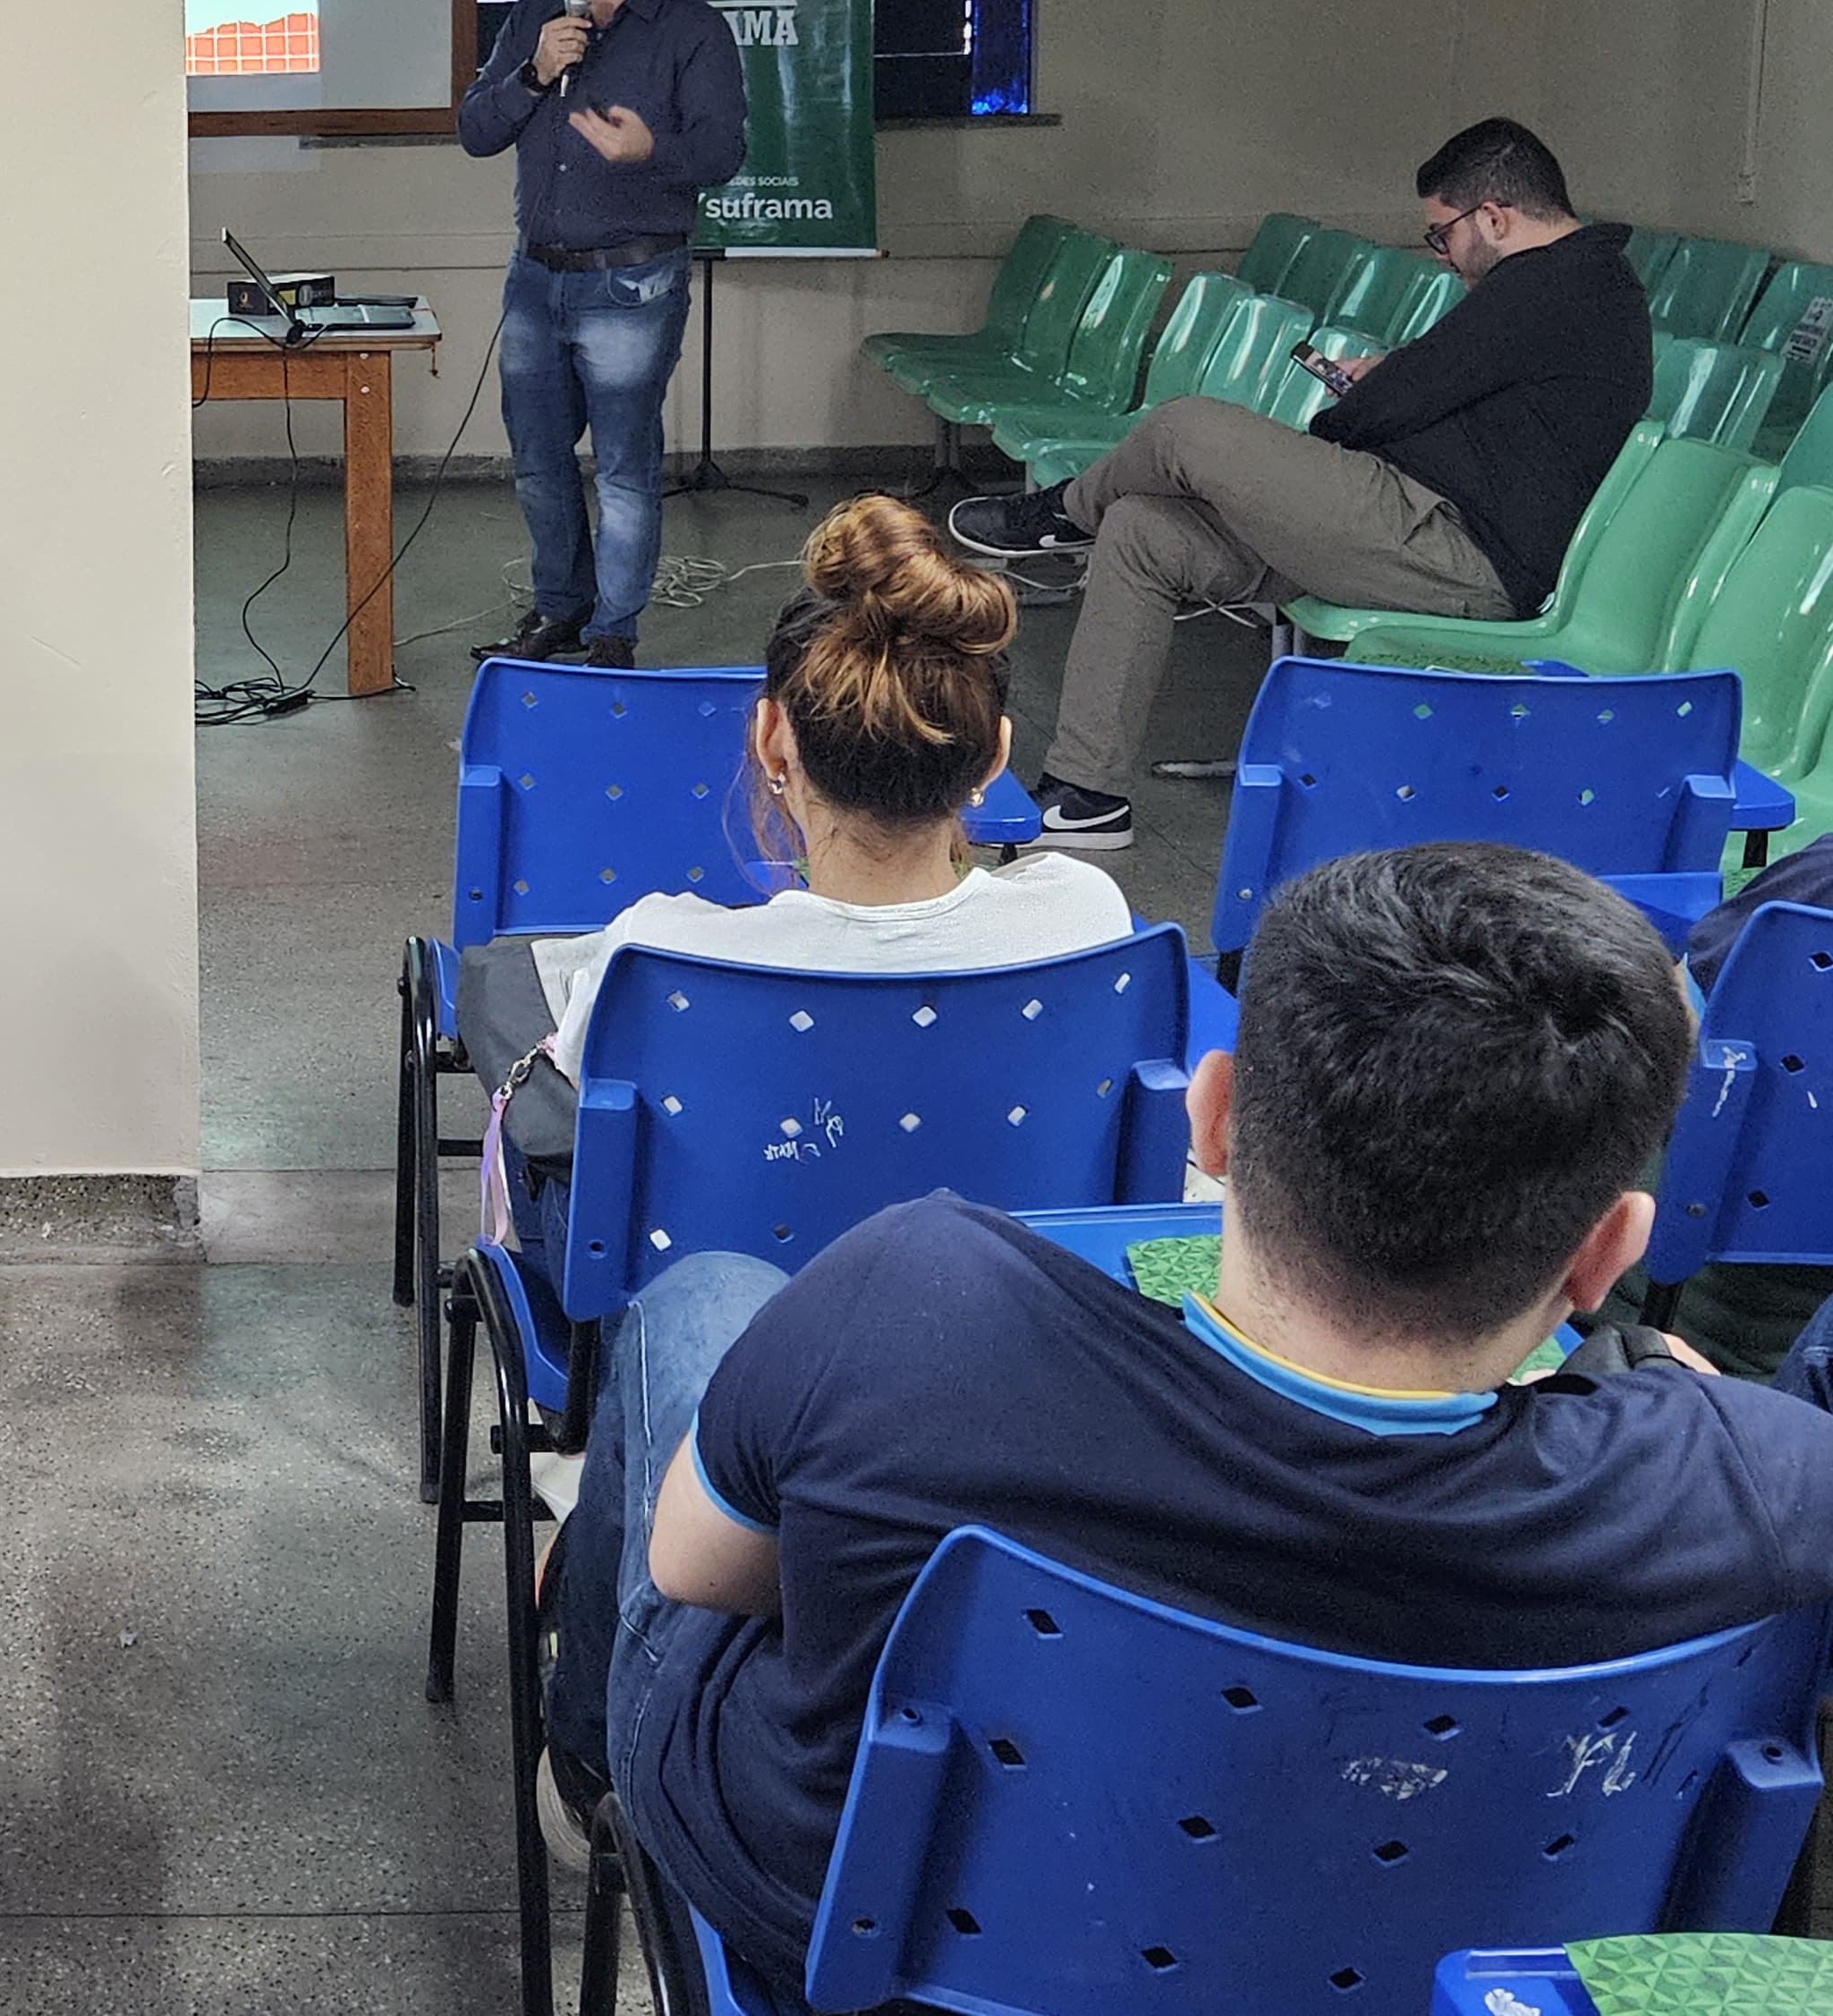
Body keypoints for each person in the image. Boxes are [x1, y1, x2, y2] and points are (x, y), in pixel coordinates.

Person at [563, 843, 1833, 1997]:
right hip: (1430, 1973)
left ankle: (578, 1760)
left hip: (855, 1940)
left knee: (702, 1302)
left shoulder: (911, 1302)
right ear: (1608, 1250)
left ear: (1213, 1118)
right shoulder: (1766, 1495)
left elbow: (696, 1571)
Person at [476, 497, 1132, 1318]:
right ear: (995, 755)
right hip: (1008, 1318)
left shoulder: (659, 948)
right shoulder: (1087, 914)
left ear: (770, 739)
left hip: (738, 1331)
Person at [951, 117, 1650, 849]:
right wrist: (1382, 391)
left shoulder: (1554, 284)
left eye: (1442, 235)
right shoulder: (1578, 285)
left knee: (1187, 427)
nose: (1443, 257)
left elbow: (1382, 411)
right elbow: (1437, 393)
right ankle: (1086, 794)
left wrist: (1356, 410)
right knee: (1142, 531)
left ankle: (1064, 513)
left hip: (1454, 551)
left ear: (1495, 218)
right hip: (1405, 526)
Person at [458, 0, 746, 671]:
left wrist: (652, 151)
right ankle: (561, 610)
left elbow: (723, 152)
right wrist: (534, 73)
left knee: (622, 469)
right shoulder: (538, 16)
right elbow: (476, 131)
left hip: (632, 284)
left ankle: (614, 633)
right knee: (538, 464)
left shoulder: (693, 30)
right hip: (533, 280)